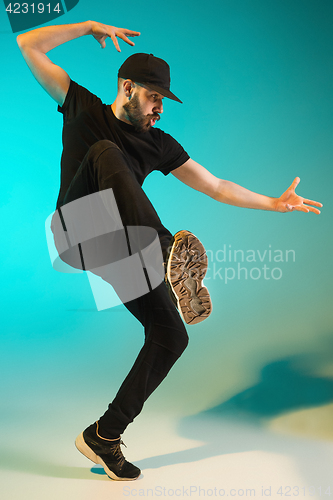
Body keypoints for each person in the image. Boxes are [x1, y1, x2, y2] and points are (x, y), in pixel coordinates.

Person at [17, 20, 322, 482]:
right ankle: (165, 251)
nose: (160, 109)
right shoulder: (81, 107)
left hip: (119, 248)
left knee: (171, 337)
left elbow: (216, 185)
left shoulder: (159, 144)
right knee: (103, 152)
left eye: (163, 102)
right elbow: (27, 43)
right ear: (127, 88)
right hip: (76, 230)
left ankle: (104, 434)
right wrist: (86, 27)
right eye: (154, 98)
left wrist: (274, 204)